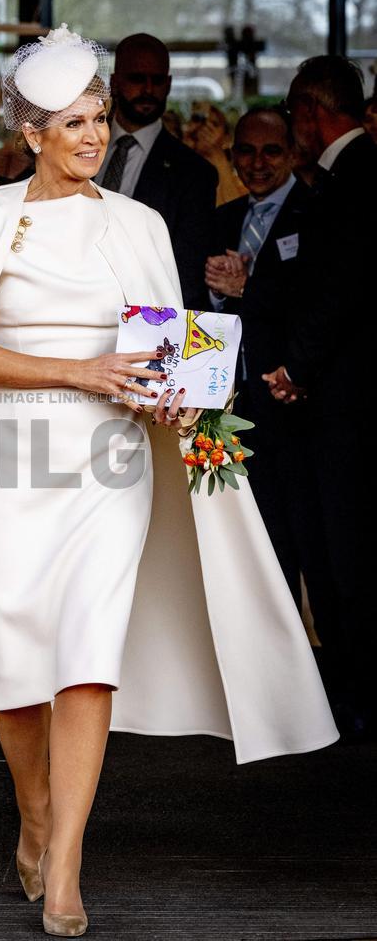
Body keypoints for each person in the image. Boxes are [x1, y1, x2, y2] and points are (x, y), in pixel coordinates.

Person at [0, 27, 337, 938]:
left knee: (86, 657)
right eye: (74, 122)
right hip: (3, 465)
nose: (93, 136)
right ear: (31, 132)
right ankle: (33, 812)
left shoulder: (140, 224)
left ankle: (68, 857)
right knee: (15, 669)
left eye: (100, 118)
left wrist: (190, 399)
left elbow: (171, 350)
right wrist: (81, 372)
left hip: (110, 471)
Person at [264, 55, 377, 735]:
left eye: (290, 115)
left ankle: (360, 703)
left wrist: (295, 368)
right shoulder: (348, 175)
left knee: (352, 554)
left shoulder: (357, 178)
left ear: (310, 112)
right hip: (343, 399)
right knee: (341, 553)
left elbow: (345, 290)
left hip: (351, 404)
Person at [204, 106, 335, 620]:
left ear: (292, 153)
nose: (258, 163)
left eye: (271, 151)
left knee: (313, 548)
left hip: (298, 410)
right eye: (247, 152)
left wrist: (247, 289)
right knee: (254, 549)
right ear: (233, 156)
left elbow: (317, 307)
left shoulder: (318, 213)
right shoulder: (222, 219)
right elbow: (206, 308)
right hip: (232, 411)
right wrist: (218, 295)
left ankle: (332, 679)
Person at [96, 32, 217, 309]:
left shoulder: (195, 173)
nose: (148, 89)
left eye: (158, 80)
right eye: (137, 79)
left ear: (169, 84)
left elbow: (187, 274)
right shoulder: (82, 148)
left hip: (147, 321)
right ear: (115, 82)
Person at [183, 101, 247, 206]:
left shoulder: (242, 182)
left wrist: (216, 153)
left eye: (214, 124)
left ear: (227, 138)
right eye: (198, 120)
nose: (205, 128)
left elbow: (235, 213)